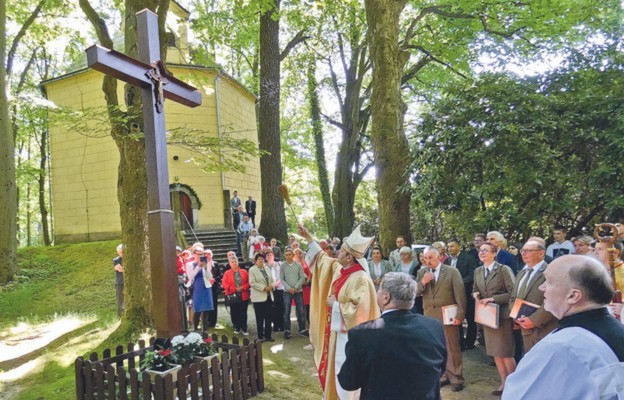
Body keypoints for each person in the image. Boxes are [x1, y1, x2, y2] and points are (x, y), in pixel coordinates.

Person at [503, 255, 624, 399]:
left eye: (549, 281)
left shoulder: (561, 346)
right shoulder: (616, 328)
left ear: (573, 296)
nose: (542, 287)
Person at [298, 224, 379, 400]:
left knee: (344, 373)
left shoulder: (361, 279)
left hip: (348, 339)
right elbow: (321, 260)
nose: (337, 253)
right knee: (332, 370)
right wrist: (308, 237)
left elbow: (359, 312)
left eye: (341, 251)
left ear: (350, 257)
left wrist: (335, 305)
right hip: (333, 332)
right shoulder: (340, 268)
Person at [337, 272, 447, 400]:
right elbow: (440, 368)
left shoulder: (362, 333)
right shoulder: (434, 326)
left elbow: (349, 382)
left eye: (379, 290)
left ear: (386, 297)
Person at [416, 246, 467, 392]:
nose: (428, 261)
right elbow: (414, 293)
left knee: (452, 346)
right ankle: (442, 375)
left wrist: (460, 315)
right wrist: (423, 282)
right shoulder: (421, 272)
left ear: (439, 257)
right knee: (435, 347)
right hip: (429, 316)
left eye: (431, 257)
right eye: (425, 258)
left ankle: (456, 377)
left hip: (448, 315)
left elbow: (460, 295)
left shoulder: (452, 271)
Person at [473, 242, 516, 396]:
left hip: (502, 316)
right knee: (495, 352)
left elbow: (513, 293)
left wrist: (493, 299)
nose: (482, 253)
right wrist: (476, 295)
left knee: (505, 352)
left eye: (485, 250)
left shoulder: (503, 270)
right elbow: (475, 289)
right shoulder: (478, 271)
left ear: (494, 253)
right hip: (487, 316)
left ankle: (514, 385)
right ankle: (504, 383)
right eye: (480, 250)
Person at [511, 240, 558, 353]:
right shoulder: (521, 273)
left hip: (543, 329)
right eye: (523, 251)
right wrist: (516, 317)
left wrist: (533, 320)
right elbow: (513, 297)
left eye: (528, 251)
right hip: (523, 326)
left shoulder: (552, 272)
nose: (524, 253)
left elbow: (554, 300)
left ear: (541, 253)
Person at [446, 239, 479, 351]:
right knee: (457, 317)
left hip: (466, 292)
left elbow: (472, 275)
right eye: (449, 247)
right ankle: (460, 342)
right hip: (453, 294)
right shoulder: (447, 260)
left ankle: (470, 342)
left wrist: (458, 284)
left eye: (452, 246)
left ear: (459, 246)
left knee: (470, 318)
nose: (450, 249)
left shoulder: (468, 258)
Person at [186, 243, 215, 332]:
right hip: (197, 287)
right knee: (197, 309)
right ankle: (195, 329)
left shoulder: (207, 263)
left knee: (206, 310)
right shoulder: (189, 264)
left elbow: (210, 277)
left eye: (201, 254)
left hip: (206, 287)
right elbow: (190, 276)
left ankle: (204, 331)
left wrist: (206, 268)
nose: (200, 256)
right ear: (194, 254)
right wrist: (198, 266)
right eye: (198, 254)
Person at [281, 247, 308, 339]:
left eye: (290, 254)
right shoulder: (283, 266)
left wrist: (296, 287)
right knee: (287, 311)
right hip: (287, 291)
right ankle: (287, 331)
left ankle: (302, 329)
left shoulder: (298, 265)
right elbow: (282, 279)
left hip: (298, 291)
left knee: (300, 311)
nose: (288, 256)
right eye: (286, 255)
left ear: (293, 255)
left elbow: (302, 278)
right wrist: (289, 288)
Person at [222, 251, 250, 335]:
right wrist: (234, 289)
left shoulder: (244, 271)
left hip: (243, 294)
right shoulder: (227, 273)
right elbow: (224, 283)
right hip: (233, 295)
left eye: (235, 262)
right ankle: (237, 327)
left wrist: (243, 287)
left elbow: (249, 282)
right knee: (234, 312)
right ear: (229, 263)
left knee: (243, 312)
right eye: (232, 262)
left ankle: (244, 328)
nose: (234, 263)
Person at [249, 252, 275, 342]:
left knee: (269, 317)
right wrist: (264, 288)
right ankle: (260, 337)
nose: (261, 261)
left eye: (262, 259)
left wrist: (272, 286)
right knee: (259, 318)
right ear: (255, 261)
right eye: (259, 259)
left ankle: (268, 336)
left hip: (269, 297)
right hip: (258, 298)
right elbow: (252, 283)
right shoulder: (252, 270)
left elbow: (273, 279)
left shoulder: (267, 268)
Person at [265, 248, 285, 332]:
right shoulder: (265, 267)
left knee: (281, 307)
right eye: (267, 255)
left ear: (273, 256)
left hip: (280, 288)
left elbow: (283, 274)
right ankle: (276, 326)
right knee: (274, 308)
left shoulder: (279, 264)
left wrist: (278, 282)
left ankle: (282, 325)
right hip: (271, 290)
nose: (269, 257)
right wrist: (273, 285)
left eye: (270, 255)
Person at [204, 249, 222, 328]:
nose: (208, 255)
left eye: (209, 254)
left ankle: (214, 322)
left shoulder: (215, 264)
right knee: (206, 304)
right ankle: (207, 321)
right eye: (206, 254)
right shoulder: (202, 264)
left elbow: (220, 275)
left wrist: (215, 279)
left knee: (214, 304)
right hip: (205, 286)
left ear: (212, 255)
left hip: (214, 287)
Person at [113, 244, 124, 318]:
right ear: (118, 253)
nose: (122, 254)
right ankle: (120, 317)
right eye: (121, 252)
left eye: (123, 252)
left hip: (128, 283)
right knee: (120, 301)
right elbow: (120, 269)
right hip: (120, 283)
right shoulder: (116, 260)